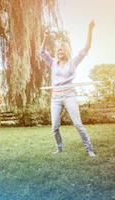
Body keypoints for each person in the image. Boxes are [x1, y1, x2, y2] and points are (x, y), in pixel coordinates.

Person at [40, 20, 96, 157]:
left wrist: (90, 29)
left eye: (62, 49)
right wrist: (45, 37)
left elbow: (87, 47)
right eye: (58, 49)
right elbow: (42, 52)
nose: (59, 51)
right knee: (54, 126)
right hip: (56, 97)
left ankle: (89, 149)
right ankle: (59, 148)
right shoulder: (53, 62)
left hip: (69, 95)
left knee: (78, 124)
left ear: (66, 51)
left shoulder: (73, 62)